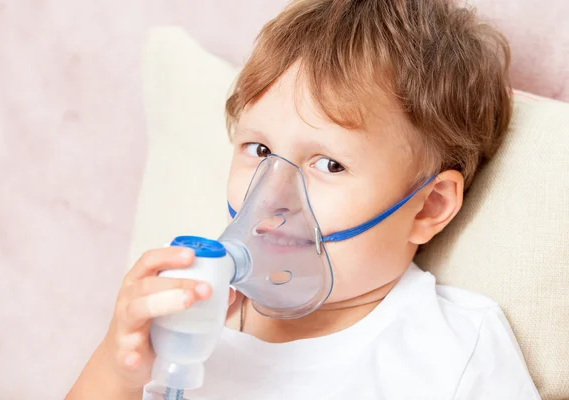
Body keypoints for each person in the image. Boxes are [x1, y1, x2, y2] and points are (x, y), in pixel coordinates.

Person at [67, 0, 540, 398]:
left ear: (428, 206)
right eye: (260, 151)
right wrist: (119, 366)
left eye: (330, 164)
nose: (272, 199)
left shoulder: (452, 351)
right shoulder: (185, 319)